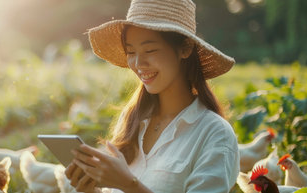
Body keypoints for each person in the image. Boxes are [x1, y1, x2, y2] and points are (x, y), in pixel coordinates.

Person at [65, 0, 240, 192]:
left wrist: (128, 184)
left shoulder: (214, 134)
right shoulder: (132, 121)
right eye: (131, 52)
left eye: (150, 50)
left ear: (185, 48)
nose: (139, 63)